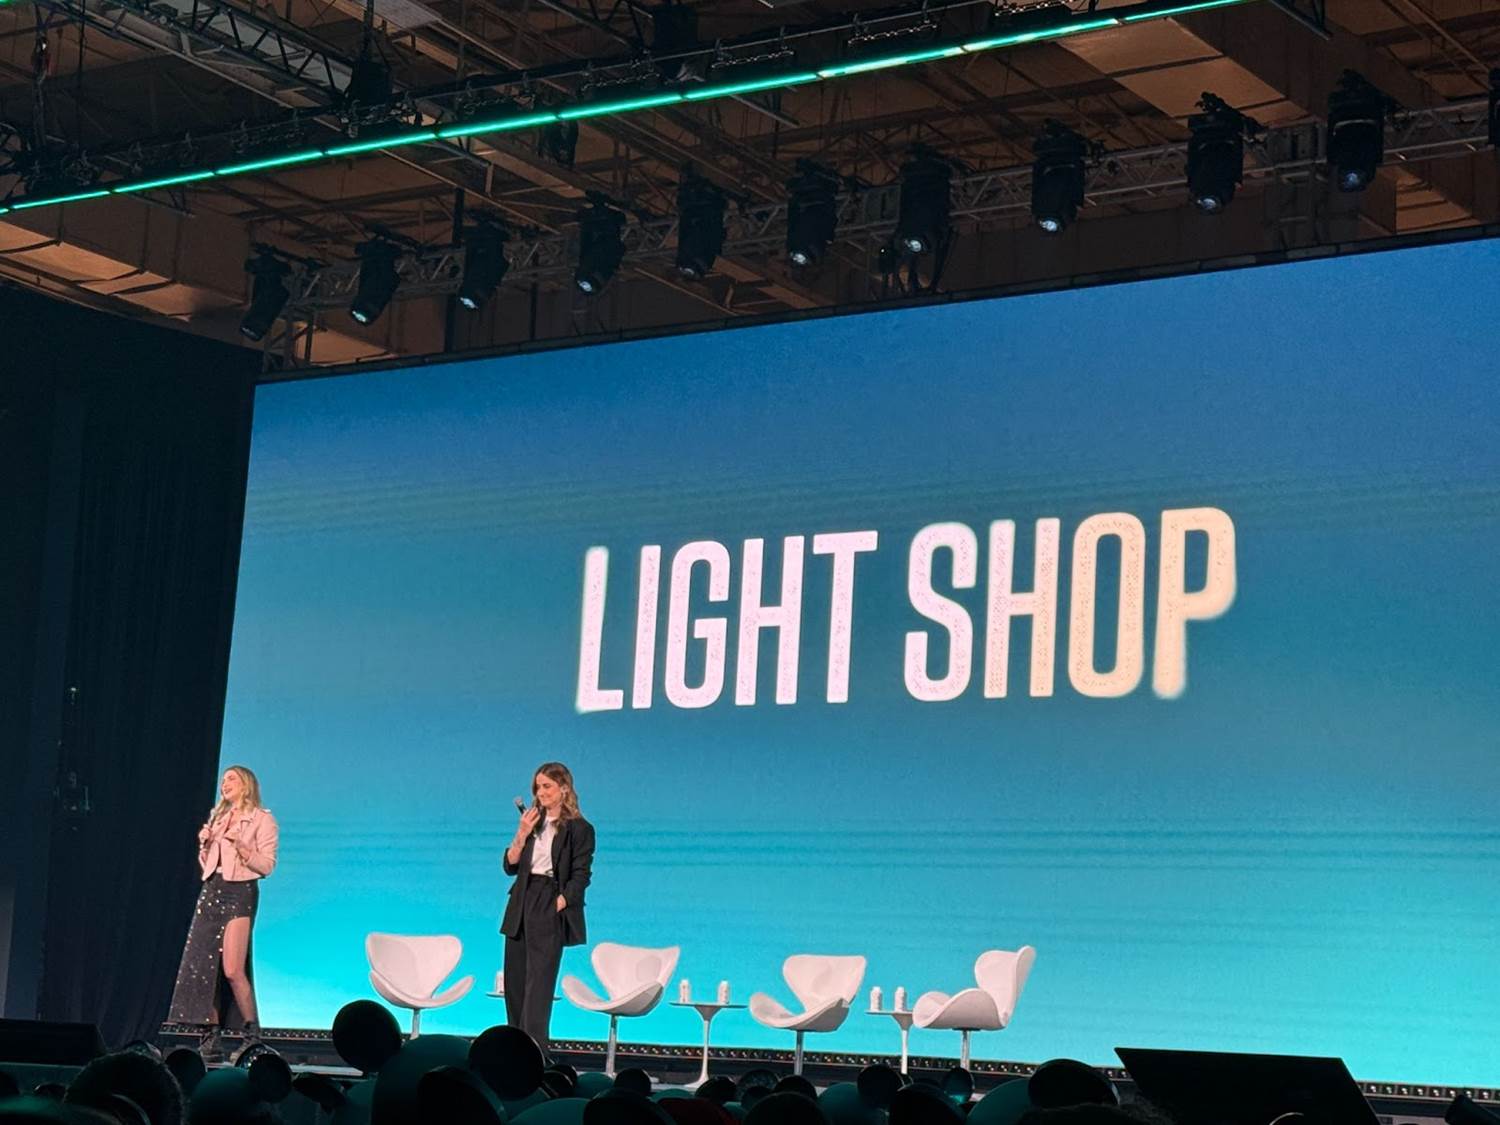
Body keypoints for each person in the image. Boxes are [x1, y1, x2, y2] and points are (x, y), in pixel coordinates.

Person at [168, 765, 279, 1046]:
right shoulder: (219, 819)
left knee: (232, 968)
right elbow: (209, 866)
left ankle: (252, 1034)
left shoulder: (262, 819)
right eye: (223, 780)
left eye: (231, 778)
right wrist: (204, 847)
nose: (224, 784)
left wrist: (242, 847)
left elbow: (267, 865)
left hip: (239, 892)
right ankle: (211, 1036)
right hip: (211, 889)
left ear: (246, 784)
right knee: (205, 969)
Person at [501, 761, 595, 1055]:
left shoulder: (579, 828)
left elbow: (581, 875)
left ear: (563, 788)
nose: (540, 793)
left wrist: (559, 903)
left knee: (538, 989)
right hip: (522, 899)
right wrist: (522, 833)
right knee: (515, 984)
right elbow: (510, 865)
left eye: (547, 786)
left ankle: (535, 1056)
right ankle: (513, 1052)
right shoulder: (531, 821)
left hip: (549, 898)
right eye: (537, 787)